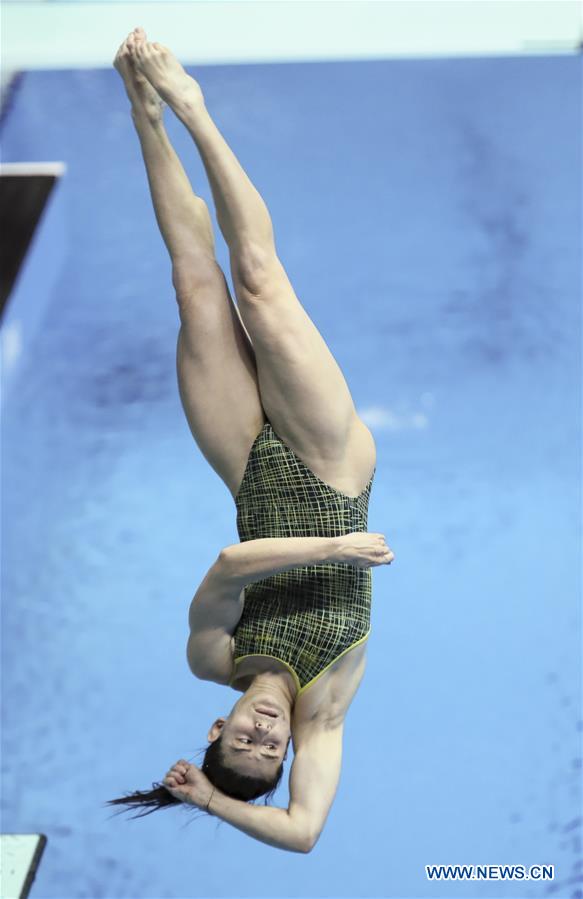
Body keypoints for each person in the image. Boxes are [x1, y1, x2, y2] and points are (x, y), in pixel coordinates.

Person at [106, 28, 394, 853]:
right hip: (333, 468)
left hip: (249, 473)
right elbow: (302, 833)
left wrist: (336, 548)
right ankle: (194, 107)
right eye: (273, 751)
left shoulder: (212, 654)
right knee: (260, 286)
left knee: (196, 286)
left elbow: (231, 565)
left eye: (242, 742)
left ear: (218, 722)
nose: (265, 736)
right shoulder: (326, 707)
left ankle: (147, 116)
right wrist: (212, 801)